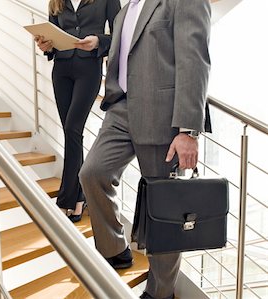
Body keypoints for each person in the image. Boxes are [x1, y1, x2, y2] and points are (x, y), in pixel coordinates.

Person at [78, 0, 212, 298]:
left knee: (164, 209)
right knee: (92, 173)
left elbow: (194, 60)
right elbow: (130, 49)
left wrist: (188, 130)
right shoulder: (126, 10)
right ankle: (115, 249)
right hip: (121, 109)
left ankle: (161, 292)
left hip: (163, 116)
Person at [35, 0, 121, 222]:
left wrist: (98, 42)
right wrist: (47, 45)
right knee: (71, 133)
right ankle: (79, 198)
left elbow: (120, 34)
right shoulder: (56, 1)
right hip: (61, 70)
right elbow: (52, 34)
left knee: (73, 128)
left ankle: (66, 200)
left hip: (88, 69)